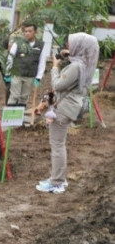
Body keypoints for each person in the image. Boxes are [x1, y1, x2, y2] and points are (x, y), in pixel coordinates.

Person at [35, 33, 99, 194]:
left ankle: (57, 181)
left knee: (57, 145)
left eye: (72, 45)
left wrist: (55, 67)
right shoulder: (83, 64)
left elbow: (58, 84)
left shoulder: (76, 67)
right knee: (59, 144)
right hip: (69, 107)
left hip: (63, 109)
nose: (69, 47)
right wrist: (65, 57)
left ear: (80, 47)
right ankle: (58, 179)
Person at [5, 22, 49, 108]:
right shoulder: (18, 43)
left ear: (35, 32)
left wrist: (38, 77)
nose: (27, 33)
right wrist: (8, 73)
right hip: (17, 74)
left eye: (30, 31)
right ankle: (10, 119)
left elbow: (42, 62)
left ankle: (19, 118)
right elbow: (10, 58)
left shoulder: (41, 45)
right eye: (25, 31)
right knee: (15, 96)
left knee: (24, 98)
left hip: (30, 76)